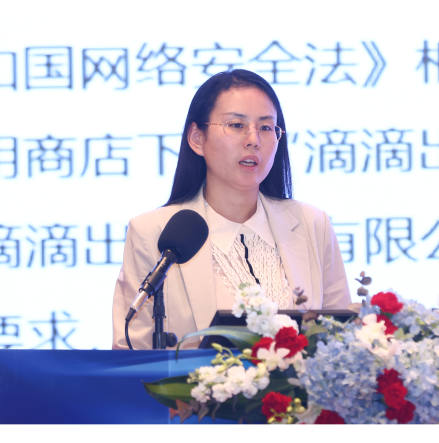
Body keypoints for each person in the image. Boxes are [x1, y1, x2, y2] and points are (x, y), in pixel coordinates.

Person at [111, 69, 351, 350]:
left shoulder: (313, 225)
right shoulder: (152, 233)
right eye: (237, 125)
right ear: (197, 138)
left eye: (266, 127)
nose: (253, 139)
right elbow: (131, 353)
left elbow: (343, 342)